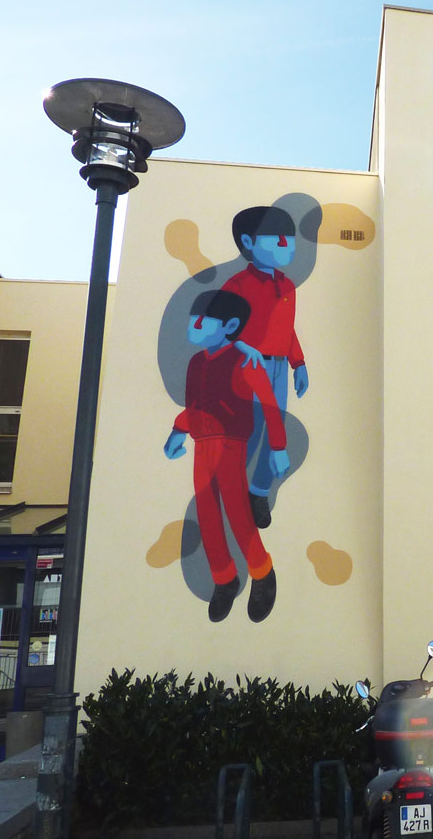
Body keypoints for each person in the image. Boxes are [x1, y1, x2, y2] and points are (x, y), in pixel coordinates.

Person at [163, 290, 288, 622]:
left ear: (230, 326)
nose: (193, 326)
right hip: (201, 446)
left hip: (232, 445)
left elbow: (270, 405)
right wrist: (178, 430)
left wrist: (278, 447)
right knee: (207, 514)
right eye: (193, 320)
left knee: (237, 513)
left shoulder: (246, 361)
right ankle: (224, 578)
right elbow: (193, 405)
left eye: (202, 321)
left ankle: (262, 571)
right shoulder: (195, 363)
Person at [222, 206, 309, 529]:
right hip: (246, 368)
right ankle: (230, 490)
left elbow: (287, 329)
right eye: (276, 238)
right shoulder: (237, 285)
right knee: (249, 432)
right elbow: (221, 327)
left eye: (290, 238)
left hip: (279, 370)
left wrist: (298, 363)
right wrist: (241, 346)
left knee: (274, 431)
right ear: (248, 241)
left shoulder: (287, 286)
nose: (287, 245)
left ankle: (258, 492)